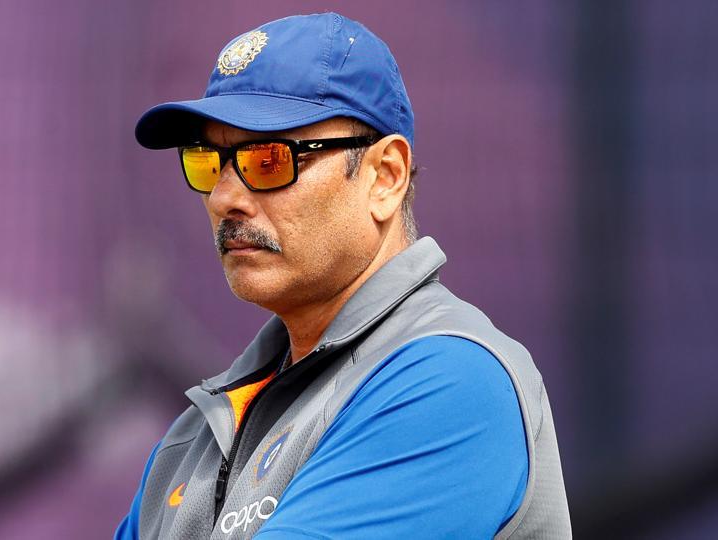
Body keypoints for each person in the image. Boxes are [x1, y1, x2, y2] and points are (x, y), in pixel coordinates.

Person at [116, 12, 571, 540]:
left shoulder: (452, 382)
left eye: (269, 159)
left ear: (385, 177)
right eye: (208, 162)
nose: (224, 197)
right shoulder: (193, 437)